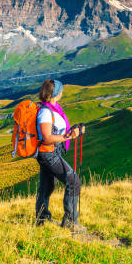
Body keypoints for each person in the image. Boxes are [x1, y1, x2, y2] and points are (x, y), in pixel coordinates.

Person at [35, 79, 84, 231]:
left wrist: (73, 131)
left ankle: (42, 220)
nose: (63, 92)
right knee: (73, 181)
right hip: (48, 153)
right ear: (56, 93)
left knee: (47, 185)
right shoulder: (45, 112)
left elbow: (58, 129)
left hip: (50, 152)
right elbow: (47, 137)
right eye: (61, 89)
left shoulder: (54, 108)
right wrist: (70, 137)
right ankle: (70, 222)